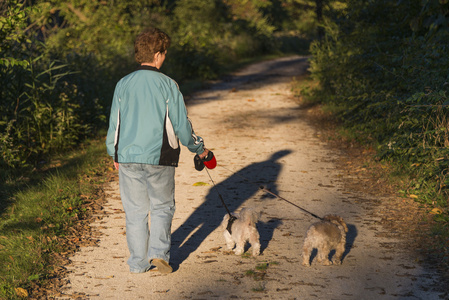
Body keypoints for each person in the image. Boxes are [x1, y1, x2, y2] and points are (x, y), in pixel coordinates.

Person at [106, 28, 210, 274]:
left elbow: (114, 123)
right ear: (157, 55)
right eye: (164, 53)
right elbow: (182, 126)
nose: (164, 57)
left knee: (135, 211)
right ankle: (159, 254)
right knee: (162, 206)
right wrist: (199, 148)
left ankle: (138, 263)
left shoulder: (123, 84)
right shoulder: (167, 84)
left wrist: (114, 152)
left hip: (128, 157)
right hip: (160, 157)